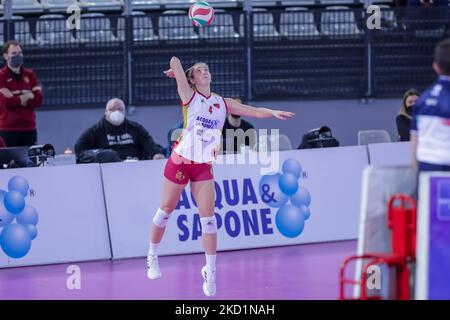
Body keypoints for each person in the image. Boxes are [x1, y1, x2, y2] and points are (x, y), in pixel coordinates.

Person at [146, 56, 294, 297]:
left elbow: (253, 111)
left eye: (207, 69)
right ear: (193, 79)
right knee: (165, 211)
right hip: (181, 160)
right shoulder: (189, 97)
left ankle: (210, 271)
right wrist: (180, 74)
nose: (205, 72)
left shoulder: (222, 103)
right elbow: (174, 60)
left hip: (204, 165)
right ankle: (152, 255)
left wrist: (273, 112)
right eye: (200, 71)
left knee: (209, 220)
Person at [74, 98, 165, 161]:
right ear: (106, 112)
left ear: (125, 112)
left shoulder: (136, 128)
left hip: (134, 167)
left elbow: (148, 142)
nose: (117, 112)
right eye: (112, 109)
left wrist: (156, 154)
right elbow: (79, 148)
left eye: (120, 109)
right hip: (107, 169)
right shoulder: (96, 130)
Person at [411, 38, 450, 173]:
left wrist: (416, 176)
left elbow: (414, 141)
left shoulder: (422, 100)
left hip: (426, 168)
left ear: (436, 67)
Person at [0, 40, 43, 147]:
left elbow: (38, 100)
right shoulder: (1, 76)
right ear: (6, 56)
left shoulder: (30, 74)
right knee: (8, 162)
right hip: (8, 130)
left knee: (31, 162)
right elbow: (5, 102)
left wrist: (15, 96)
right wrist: (27, 95)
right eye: (14, 53)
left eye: (20, 53)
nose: (17, 56)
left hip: (29, 129)